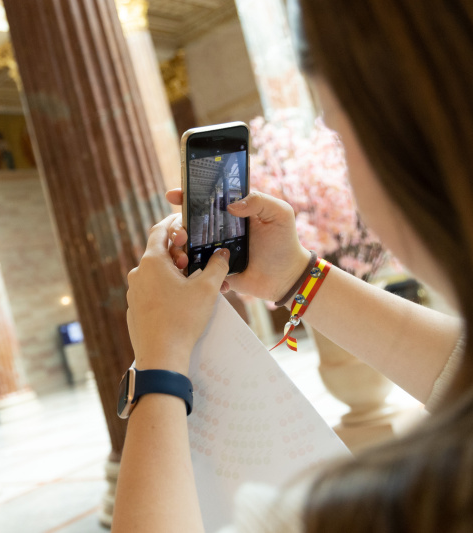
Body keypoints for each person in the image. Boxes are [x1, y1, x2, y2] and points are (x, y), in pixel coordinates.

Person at [113, 1, 473, 532]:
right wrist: (296, 277)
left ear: (404, 147)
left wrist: (160, 365)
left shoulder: (368, 511)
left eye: (339, 134)